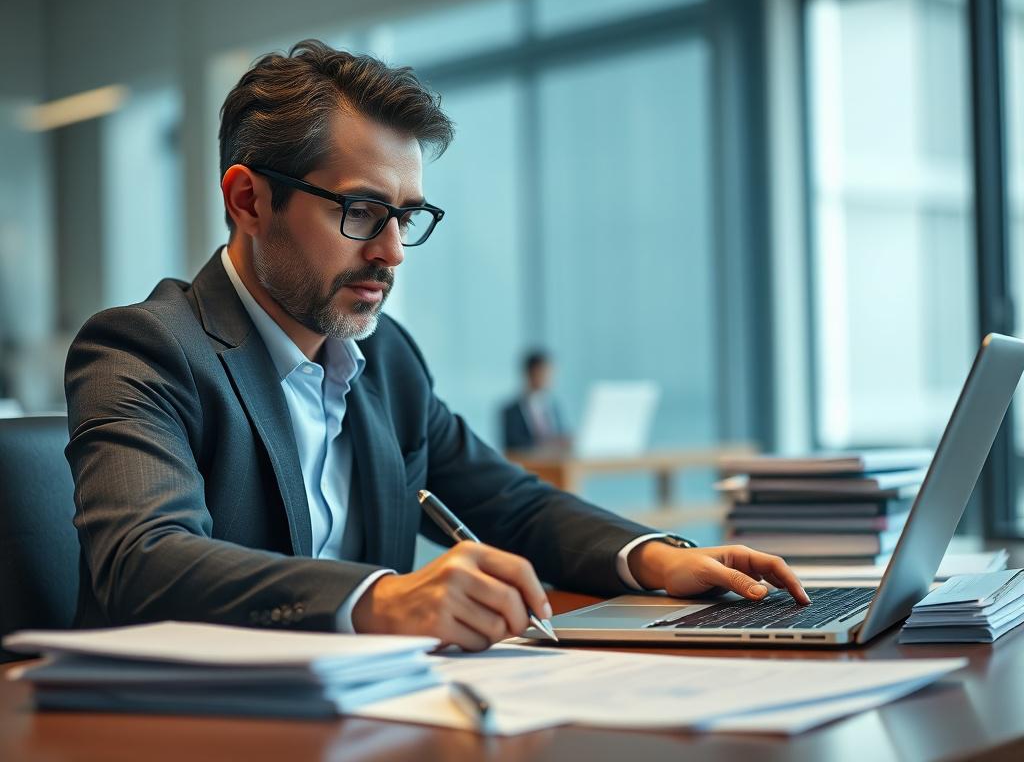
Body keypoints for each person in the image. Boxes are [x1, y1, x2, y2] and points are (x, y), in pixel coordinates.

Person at [64, 40, 808, 652]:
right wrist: (377, 600)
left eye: (407, 216)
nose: (393, 252)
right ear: (248, 200)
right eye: (361, 211)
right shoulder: (145, 350)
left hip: (369, 720)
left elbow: (511, 505)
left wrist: (657, 558)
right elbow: (144, 562)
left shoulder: (385, 359)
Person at [501, 350, 568, 452]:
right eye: (544, 372)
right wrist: (547, 444)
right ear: (530, 374)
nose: (549, 378)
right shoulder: (510, 411)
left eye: (551, 373)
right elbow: (513, 446)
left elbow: (560, 434)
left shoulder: (554, 406)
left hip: (555, 463)